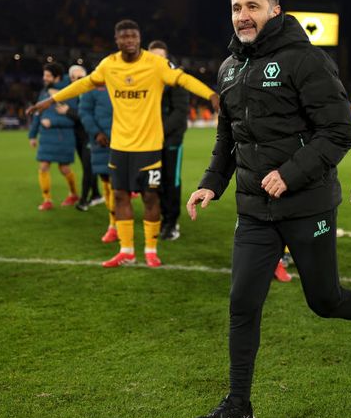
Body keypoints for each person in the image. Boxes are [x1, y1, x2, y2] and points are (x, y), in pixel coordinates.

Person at [186, 0, 351, 418]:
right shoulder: (228, 69)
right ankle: (239, 407)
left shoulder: (306, 60)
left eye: (253, 7)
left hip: (308, 205)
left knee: (324, 301)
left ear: (275, 10)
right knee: (242, 303)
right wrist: (211, 184)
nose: (243, 16)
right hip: (254, 210)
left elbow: (339, 132)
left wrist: (291, 172)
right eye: (237, 8)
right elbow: (229, 138)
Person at [26, 19, 219, 268]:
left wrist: (211, 95)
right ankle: (126, 250)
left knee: (150, 198)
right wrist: (49, 102)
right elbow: (84, 84)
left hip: (149, 146)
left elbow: (183, 79)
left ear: (139, 38)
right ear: (117, 40)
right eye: (124, 37)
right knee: (119, 196)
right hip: (119, 146)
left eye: (133, 36)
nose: (129, 41)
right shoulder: (109, 65)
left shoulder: (155, 64)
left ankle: (150, 249)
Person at [146, 40, 189, 242]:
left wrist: (158, 131)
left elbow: (180, 112)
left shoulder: (177, 78)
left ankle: (172, 223)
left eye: (160, 57)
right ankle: (162, 219)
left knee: (171, 181)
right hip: (149, 141)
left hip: (171, 139)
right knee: (155, 182)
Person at [28, 62, 79, 210]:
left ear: (57, 77)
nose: (44, 78)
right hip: (46, 136)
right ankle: (47, 200)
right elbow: (38, 114)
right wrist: (32, 135)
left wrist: (53, 121)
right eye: (44, 75)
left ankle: (73, 194)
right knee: (43, 166)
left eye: (48, 75)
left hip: (64, 136)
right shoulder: (44, 92)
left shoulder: (70, 92)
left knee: (64, 168)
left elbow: (73, 116)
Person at [77, 64, 117, 243]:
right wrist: (96, 133)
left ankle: (119, 222)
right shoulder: (91, 89)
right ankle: (113, 225)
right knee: (108, 184)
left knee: (120, 185)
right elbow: (84, 113)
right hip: (101, 143)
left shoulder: (120, 85)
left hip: (125, 140)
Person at [63, 65, 103, 211]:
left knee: (89, 168)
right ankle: (97, 195)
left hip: (91, 137)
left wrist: (68, 112)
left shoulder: (93, 92)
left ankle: (84, 200)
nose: (79, 80)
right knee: (89, 167)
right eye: (75, 78)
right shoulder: (74, 94)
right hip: (79, 137)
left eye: (82, 77)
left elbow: (89, 116)